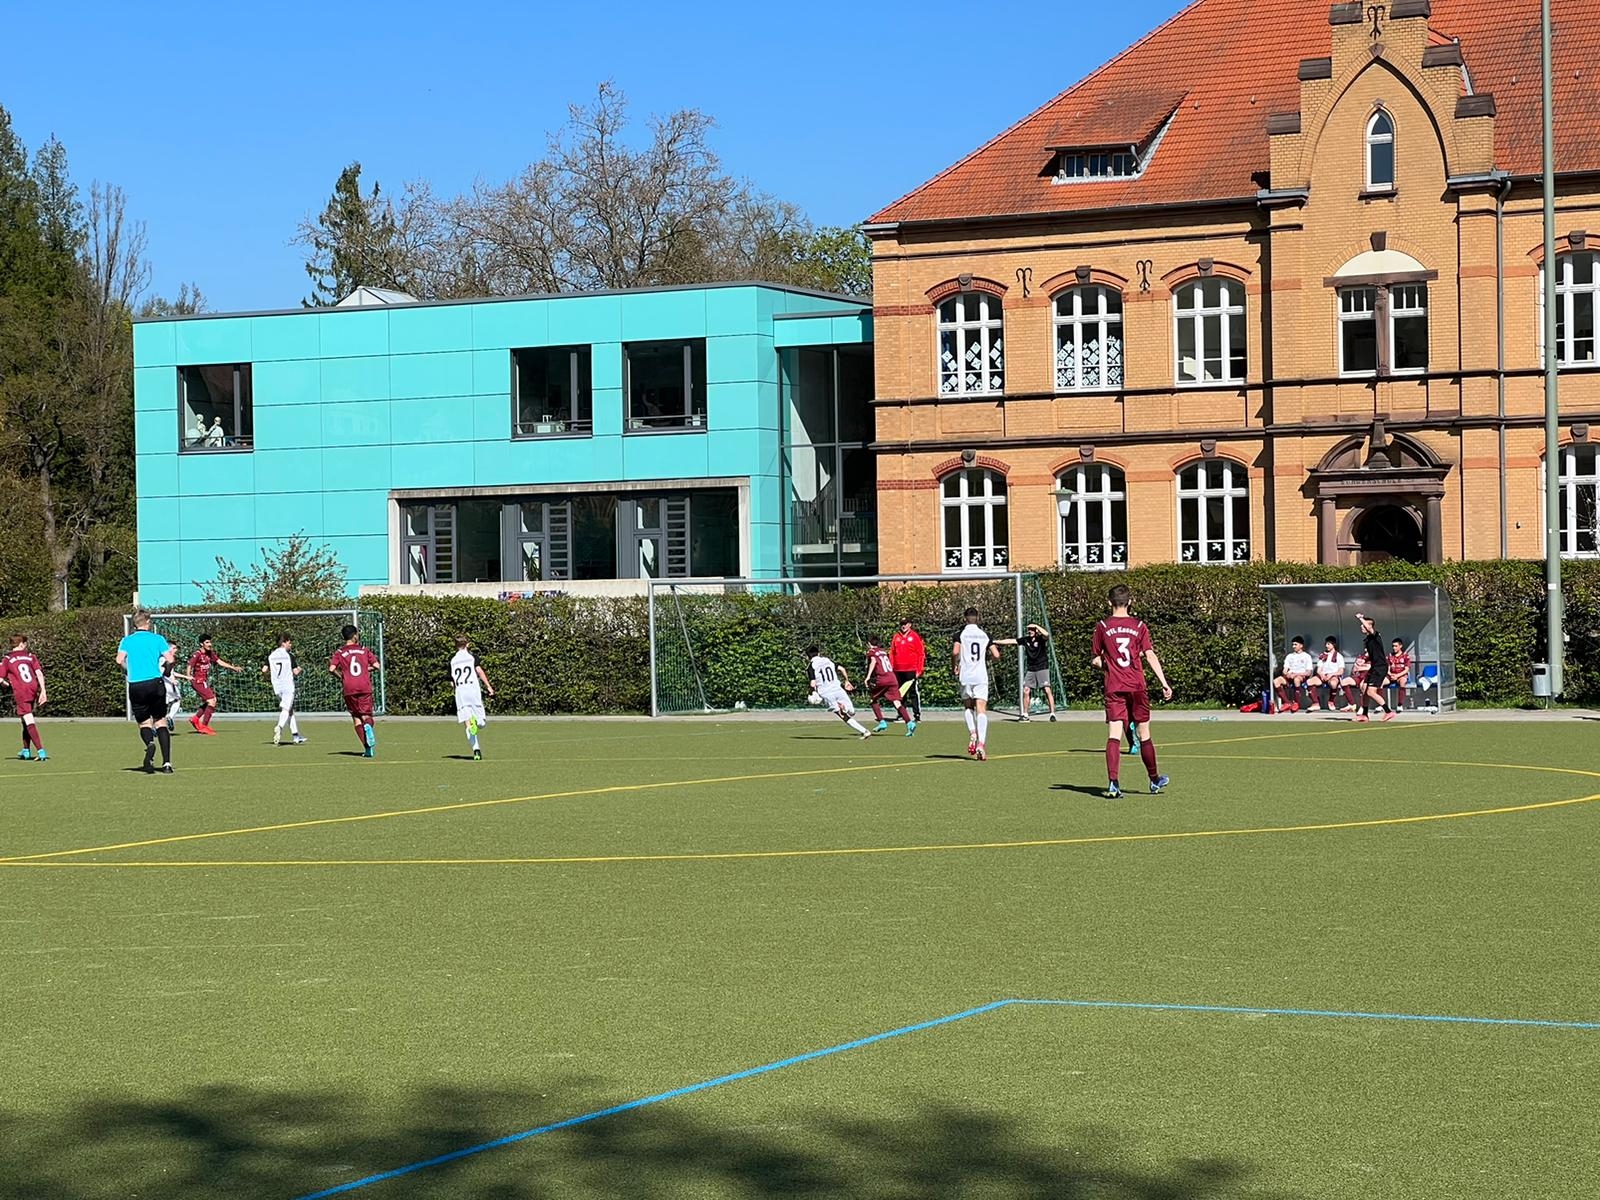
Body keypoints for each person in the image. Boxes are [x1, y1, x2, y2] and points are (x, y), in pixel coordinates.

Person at [1090, 583, 1174, 798]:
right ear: (1130, 602)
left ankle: (1113, 783)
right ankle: (1154, 780)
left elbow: (1096, 660)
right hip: (1137, 686)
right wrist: (1164, 682)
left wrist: (1109, 666)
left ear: (1109, 602)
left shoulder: (1102, 626)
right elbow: (1150, 654)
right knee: (1144, 734)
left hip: (1114, 686)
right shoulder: (1139, 626)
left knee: (1114, 734)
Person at [116, 610, 177, 773]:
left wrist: (129, 670)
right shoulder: (158, 639)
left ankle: (150, 743)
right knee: (160, 721)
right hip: (155, 683)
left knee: (144, 723)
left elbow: (119, 660)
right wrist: (166, 671)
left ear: (134, 624)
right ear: (148, 622)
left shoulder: (127, 640)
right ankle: (167, 764)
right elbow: (170, 659)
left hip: (136, 685)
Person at [953, 607, 1000, 761]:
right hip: (980, 676)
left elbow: (955, 652)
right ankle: (981, 744)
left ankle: (973, 732)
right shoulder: (985, 635)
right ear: (977, 618)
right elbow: (996, 654)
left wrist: (955, 665)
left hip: (966, 675)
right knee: (981, 709)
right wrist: (989, 659)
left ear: (965, 618)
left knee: (968, 706)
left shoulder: (960, 634)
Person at [330, 624, 381, 756]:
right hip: (364, 686)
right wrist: (366, 669)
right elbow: (377, 666)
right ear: (354, 636)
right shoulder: (364, 650)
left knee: (356, 718)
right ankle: (368, 725)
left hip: (349, 687)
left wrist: (341, 676)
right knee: (366, 716)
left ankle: (367, 749)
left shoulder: (340, 652)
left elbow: (331, 669)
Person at [806, 644, 873, 739]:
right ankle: (847, 709)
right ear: (819, 653)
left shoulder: (811, 666)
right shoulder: (827, 661)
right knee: (852, 712)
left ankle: (865, 731)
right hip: (838, 689)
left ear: (808, 656)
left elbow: (813, 684)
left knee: (842, 715)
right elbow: (842, 669)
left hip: (826, 693)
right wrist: (846, 681)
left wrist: (811, 692)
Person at [0, 634, 49, 762]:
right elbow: (39, 673)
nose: (26, 646)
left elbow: (0, 679)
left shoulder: (7, 659)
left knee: (28, 719)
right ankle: (26, 750)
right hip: (33, 689)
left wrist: (6, 684)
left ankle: (41, 751)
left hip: (21, 691)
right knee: (25, 720)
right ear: (21, 644)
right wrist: (43, 691)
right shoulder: (30, 656)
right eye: (25, 643)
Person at [187, 633, 243, 734]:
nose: (210, 644)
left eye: (210, 642)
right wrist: (188, 676)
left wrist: (233, 668)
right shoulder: (197, 654)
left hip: (203, 681)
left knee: (212, 700)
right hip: (198, 681)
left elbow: (219, 662)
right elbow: (189, 665)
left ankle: (195, 718)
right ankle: (204, 726)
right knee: (212, 701)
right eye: (207, 642)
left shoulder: (210, 653)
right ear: (201, 644)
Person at [450, 636, 495, 760]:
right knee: (482, 723)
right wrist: (489, 687)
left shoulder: (452, 661)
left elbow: (452, 682)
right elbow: (479, 672)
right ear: (467, 644)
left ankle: (476, 751)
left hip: (461, 693)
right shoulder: (472, 658)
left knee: (468, 724)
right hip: (472, 690)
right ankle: (477, 723)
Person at [864, 635, 916, 736]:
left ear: (869, 644)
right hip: (892, 678)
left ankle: (882, 722)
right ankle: (910, 723)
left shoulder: (871, 652)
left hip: (882, 678)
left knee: (873, 699)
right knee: (897, 702)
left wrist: (868, 676)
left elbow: (873, 662)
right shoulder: (883, 651)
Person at [262, 634, 307, 746]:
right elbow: (296, 672)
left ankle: (296, 736)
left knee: (289, 710)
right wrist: (300, 668)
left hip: (277, 686)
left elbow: (264, 670)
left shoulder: (271, 655)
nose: (290, 645)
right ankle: (279, 726)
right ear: (283, 643)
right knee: (286, 709)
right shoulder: (289, 655)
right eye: (289, 643)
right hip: (287, 686)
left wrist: (271, 674)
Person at [1353, 612, 1396, 722]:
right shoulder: (1367, 639)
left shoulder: (1375, 635)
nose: (1362, 627)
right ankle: (1365, 715)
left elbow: (1368, 628)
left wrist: (1361, 618)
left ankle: (1388, 712)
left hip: (1380, 667)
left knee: (1371, 692)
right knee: (1364, 688)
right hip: (1374, 667)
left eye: (1363, 625)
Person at [889, 618, 926, 722]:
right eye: (902, 624)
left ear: (910, 624)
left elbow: (921, 654)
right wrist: (891, 667)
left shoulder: (914, 636)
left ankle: (917, 715)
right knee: (900, 693)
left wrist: (919, 669)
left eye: (905, 624)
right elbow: (892, 653)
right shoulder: (896, 637)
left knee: (913, 692)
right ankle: (902, 714)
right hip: (898, 670)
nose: (903, 626)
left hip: (911, 669)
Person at [1273, 636, 1316, 714]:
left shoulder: (1306, 656)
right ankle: (1287, 703)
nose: (1293, 646)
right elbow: (1285, 670)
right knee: (1276, 681)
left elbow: (1308, 672)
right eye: (1293, 644)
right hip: (1290, 677)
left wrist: (1296, 674)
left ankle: (1296, 703)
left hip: (1301, 677)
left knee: (1296, 679)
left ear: (1301, 645)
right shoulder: (1289, 656)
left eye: (1295, 644)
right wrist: (1287, 674)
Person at [1308, 636, 1346, 712]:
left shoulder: (1339, 656)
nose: (1326, 646)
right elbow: (1319, 669)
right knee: (1309, 682)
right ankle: (1316, 703)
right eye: (1326, 644)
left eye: (1328, 644)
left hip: (1333, 675)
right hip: (1323, 675)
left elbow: (1341, 671)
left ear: (1333, 644)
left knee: (1333, 684)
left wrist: (1331, 674)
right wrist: (1321, 675)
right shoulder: (1323, 655)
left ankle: (1331, 701)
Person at [162, 638, 190, 732]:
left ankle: (159, 725)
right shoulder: (164, 659)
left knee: (168, 704)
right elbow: (162, 673)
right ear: (168, 649)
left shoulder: (169, 659)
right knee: (176, 700)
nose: (176, 650)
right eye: (174, 648)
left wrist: (185, 677)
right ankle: (169, 717)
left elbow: (172, 673)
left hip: (167, 685)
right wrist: (172, 680)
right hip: (166, 685)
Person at [1384, 637, 1413, 712]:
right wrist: (1390, 674)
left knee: (1402, 682)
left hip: (1401, 675)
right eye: (1393, 646)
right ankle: (1382, 705)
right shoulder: (1390, 656)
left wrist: (1397, 676)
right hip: (1391, 676)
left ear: (1400, 646)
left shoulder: (1405, 656)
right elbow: (1387, 668)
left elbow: (1406, 670)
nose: (1394, 648)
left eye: (1396, 646)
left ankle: (1400, 705)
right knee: (1380, 682)